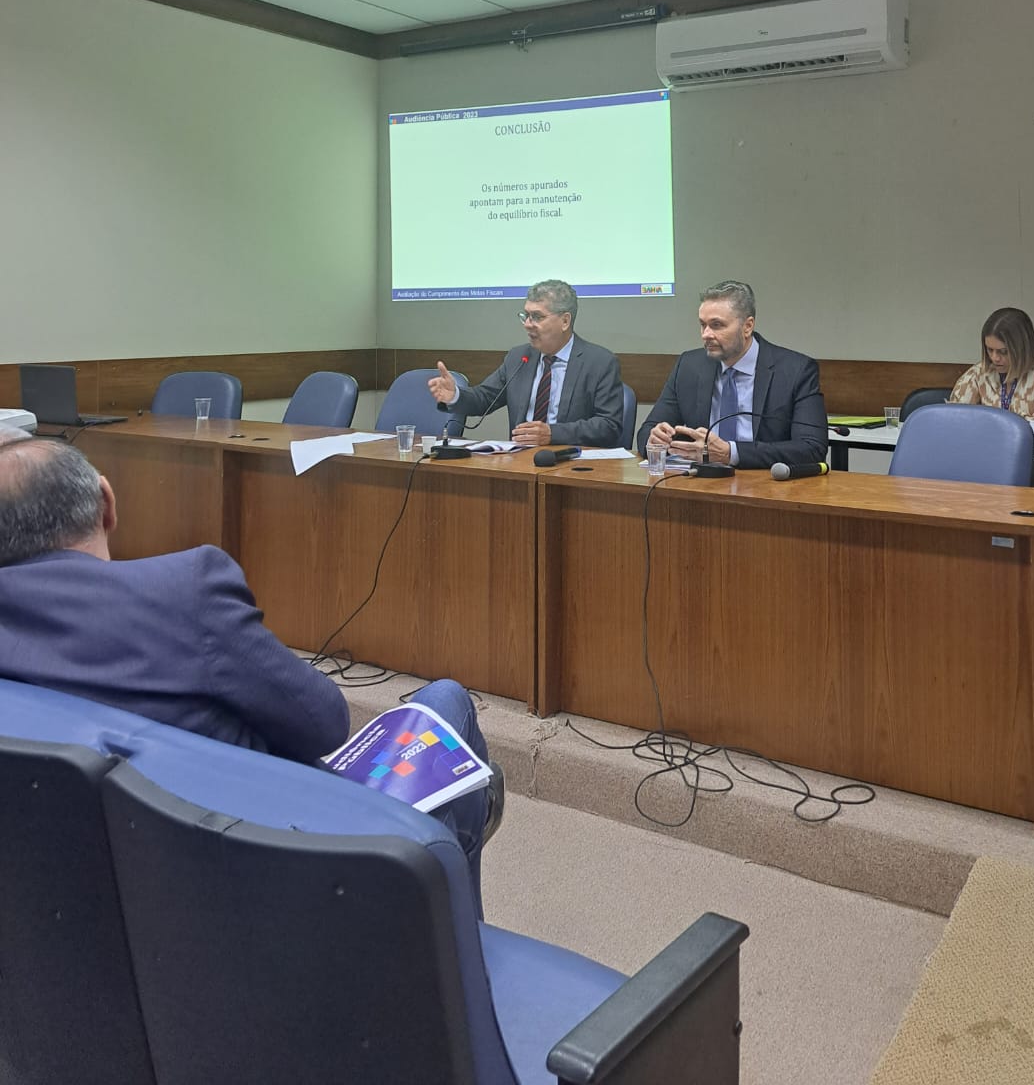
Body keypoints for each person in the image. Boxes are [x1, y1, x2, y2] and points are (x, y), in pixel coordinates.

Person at [0, 433, 499, 907]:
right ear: (106, 503)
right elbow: (326, 724)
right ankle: (459, 943)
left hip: (121, 879)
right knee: (447, 705)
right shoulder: (183, 590)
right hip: (303, 864)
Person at [638, 280, 828, 471]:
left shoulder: (795, 370)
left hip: (766, 480)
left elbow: (812, 448)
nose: (706, 334)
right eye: (703, 325)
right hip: (701, 481)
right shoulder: (689, 366)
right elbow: (645, 433)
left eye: (717, 325)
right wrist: (655, 439)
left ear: (747, 326)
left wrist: (731, 453)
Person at [428, 277, 624, 447]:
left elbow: (609, 426)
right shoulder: (518, 357)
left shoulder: (599, 362)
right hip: (520, 462)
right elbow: (484, 398)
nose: (528, 324)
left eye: (537, 317)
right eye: (526, 316)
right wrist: (455, 396)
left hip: (571, 462)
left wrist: (552, 434)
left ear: (565, 321)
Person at [949, 307, 1034, 422]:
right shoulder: (980, 373)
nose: (994, 358)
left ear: (1022, 348)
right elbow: (953, 418)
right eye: (989, 350)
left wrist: (1003, 423)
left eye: (1003, 351)